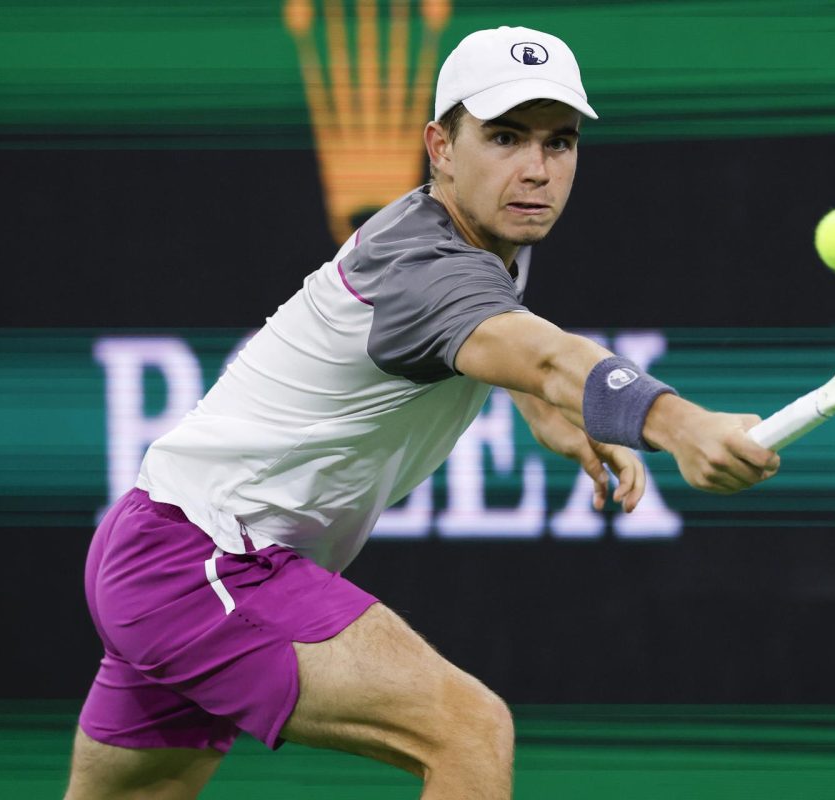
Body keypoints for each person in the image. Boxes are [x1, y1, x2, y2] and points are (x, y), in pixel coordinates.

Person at [65, 25, 780, 799]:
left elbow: (493, 344)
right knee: (467, 728)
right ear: (440, 146)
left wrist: (543, 409)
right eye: (505, 137)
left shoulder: (476, 233)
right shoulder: (424, 267)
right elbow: (543, 353)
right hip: (208, 565)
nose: (536, 170)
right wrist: (684, 425)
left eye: (559, 142)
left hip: (154, 545)